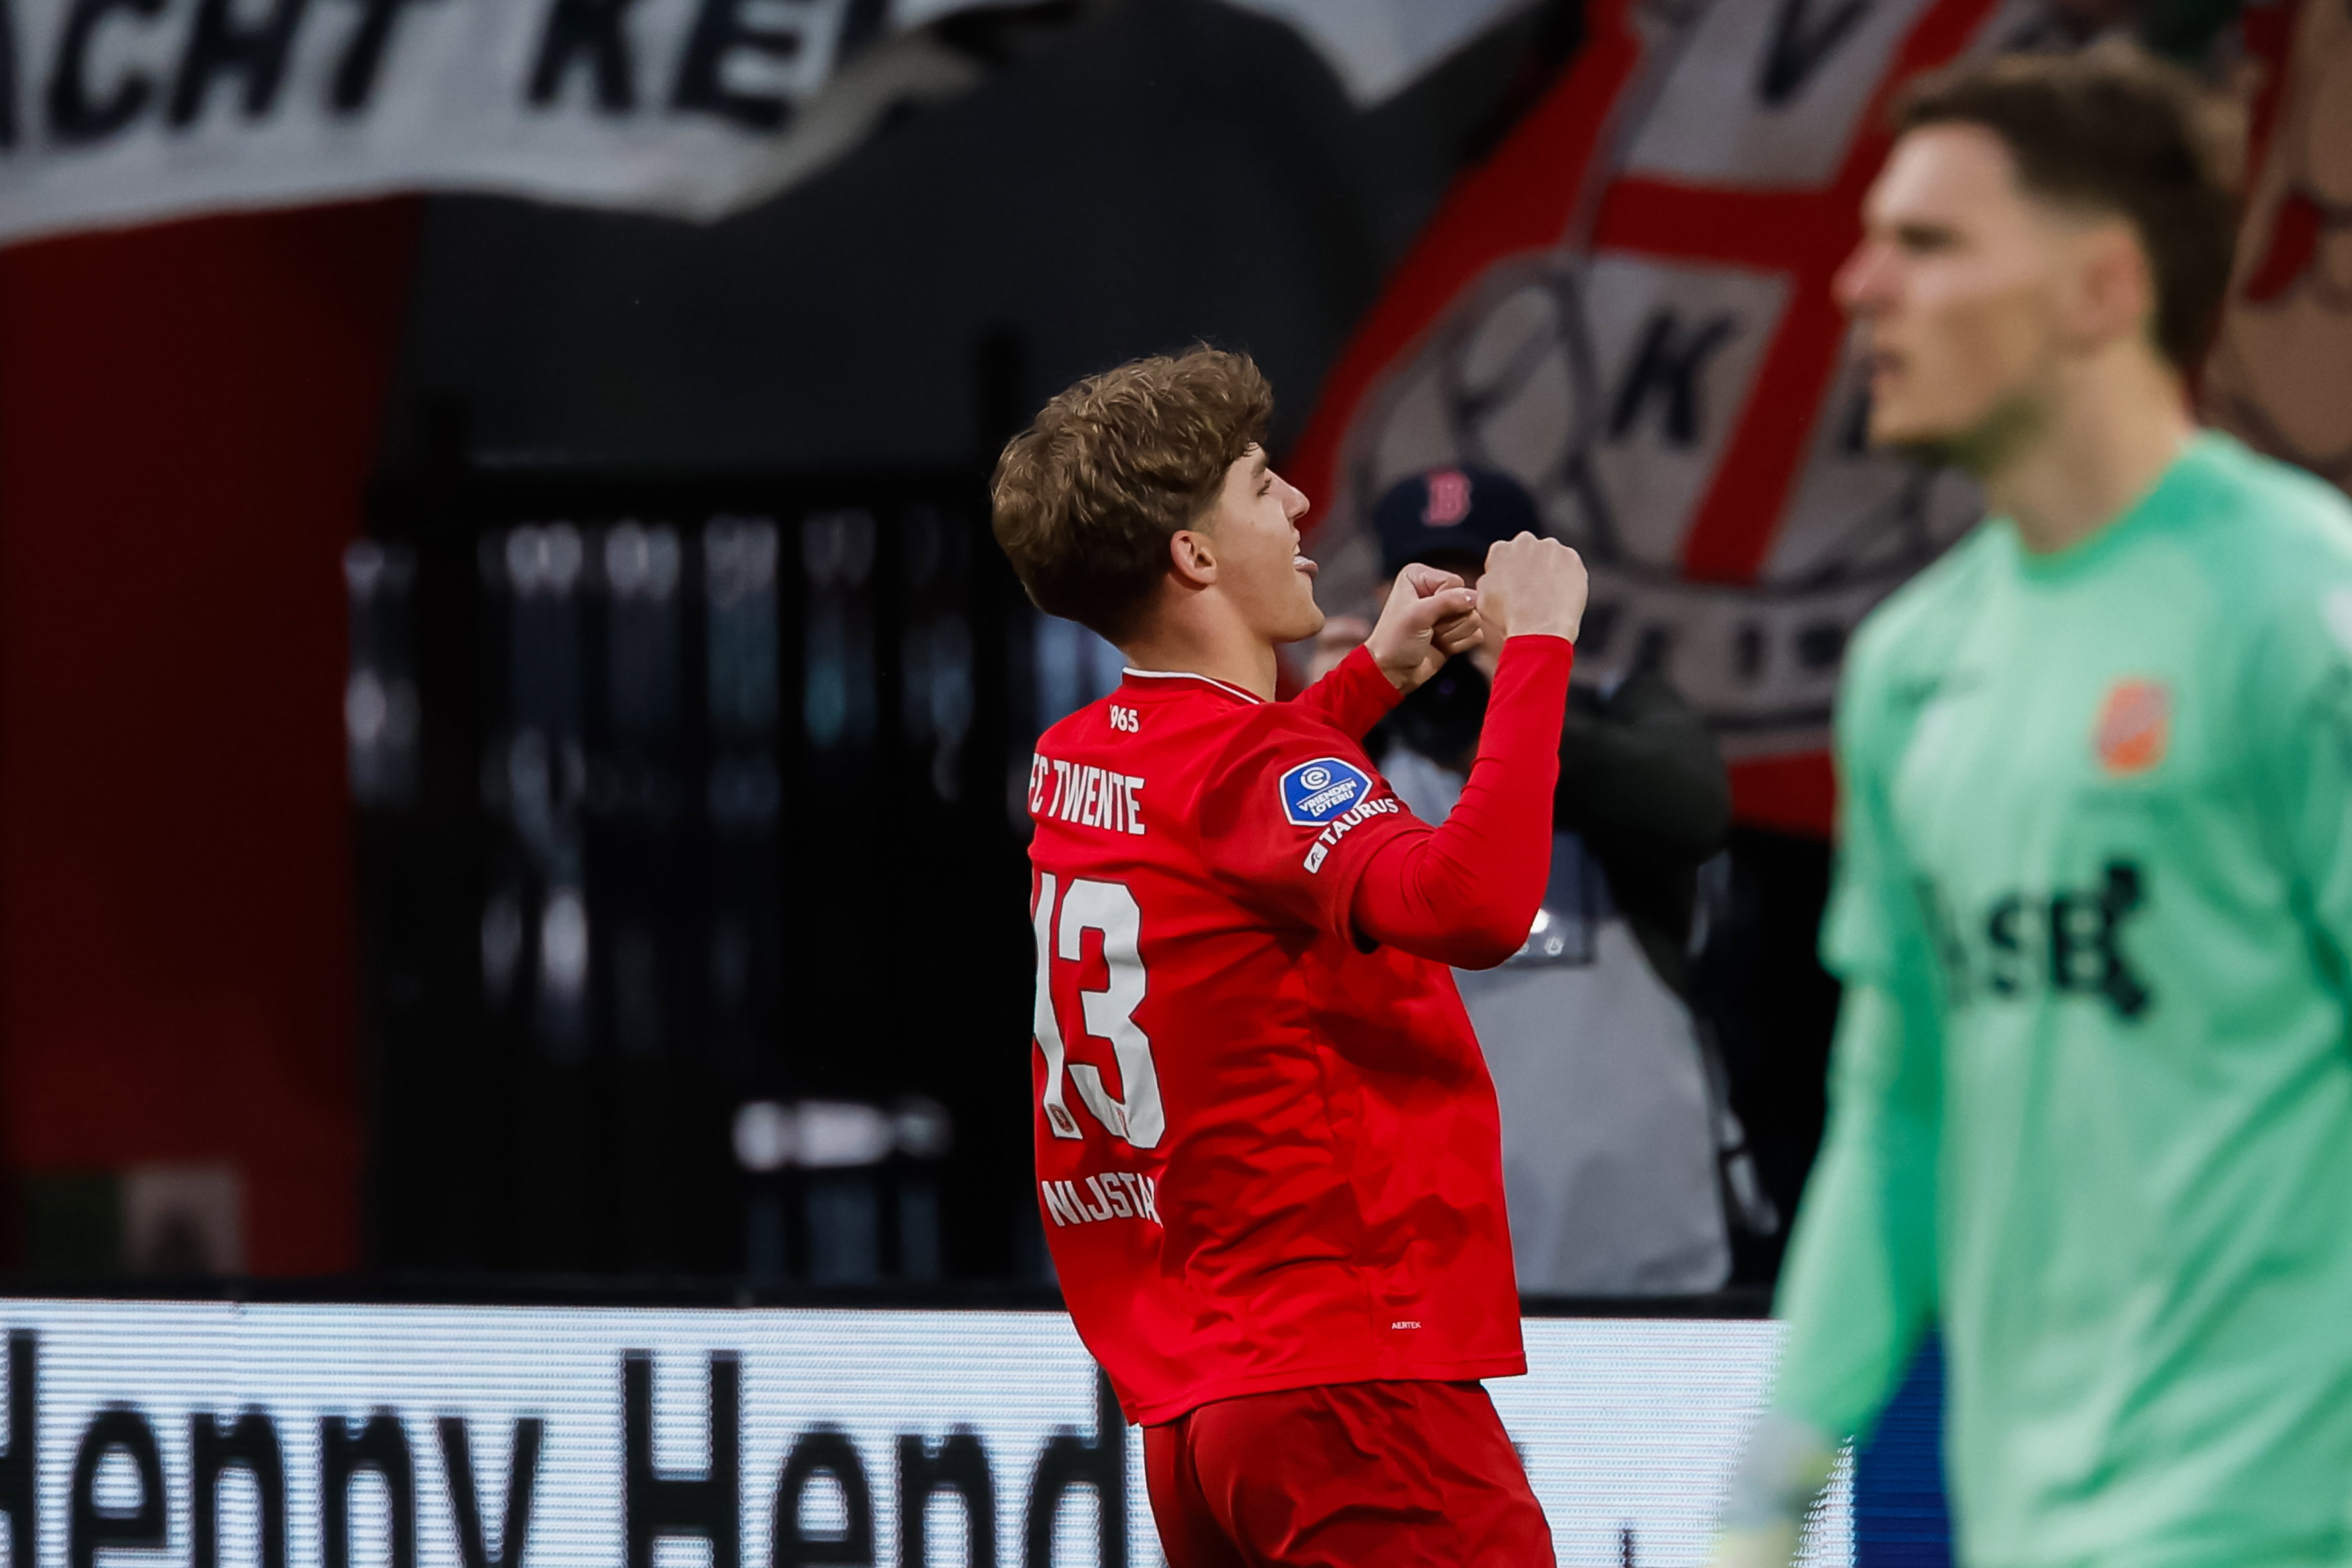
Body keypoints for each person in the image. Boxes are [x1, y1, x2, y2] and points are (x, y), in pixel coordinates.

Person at [1713, 48, 2352, 1568]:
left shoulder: (2294, 611)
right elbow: (1898, 1110)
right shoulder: (1912, 664)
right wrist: (1763, 1494)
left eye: (1927, 243)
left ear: (2099, 290)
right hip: (2025, 1522)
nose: (1860, 286)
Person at [993, 345, 1587, 1567]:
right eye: (1262, 486)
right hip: (1348, 1378)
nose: (1302, 503)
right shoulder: (1252, 764)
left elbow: (1222, 811)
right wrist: (1534, 652)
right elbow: (1472, 904)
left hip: (1200, 1412)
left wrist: (1367, 682)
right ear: (1194, 556)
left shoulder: (1079, 757)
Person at [1310, 466, 1746, 1294]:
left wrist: (1522, 692)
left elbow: (1693, 811)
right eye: (1428, 585)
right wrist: (1333, 720)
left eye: (1479, 583)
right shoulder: (1353, 756)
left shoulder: (1618, 712)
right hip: (1428, 1257)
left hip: (1641, 1247)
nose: (1456, 608)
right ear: (1380, 599)